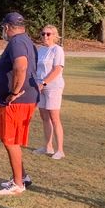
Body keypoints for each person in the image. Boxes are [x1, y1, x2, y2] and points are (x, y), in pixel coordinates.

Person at [0, 12, 39, 195]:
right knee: (9, 140)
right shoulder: (25, 40)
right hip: (21, 100)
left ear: (7, 27)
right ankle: (22, 176)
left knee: (11, 140)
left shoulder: (17, 42)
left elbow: (21, 65)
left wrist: (14, 92)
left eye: (4, 27)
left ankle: (18, 184)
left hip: (18, 101)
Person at [33, 25, 66, 159]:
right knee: (44, 117)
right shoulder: (40, 50)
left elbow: (57, 69)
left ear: (54, 36)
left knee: (54, 117)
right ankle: (48, 146)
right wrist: (37, 83)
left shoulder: (57, 50)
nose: (45, 36)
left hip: (53, 86)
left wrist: (44, 83)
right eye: (43, 34)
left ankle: (60, 150)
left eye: (48, 34)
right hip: (40, 87)